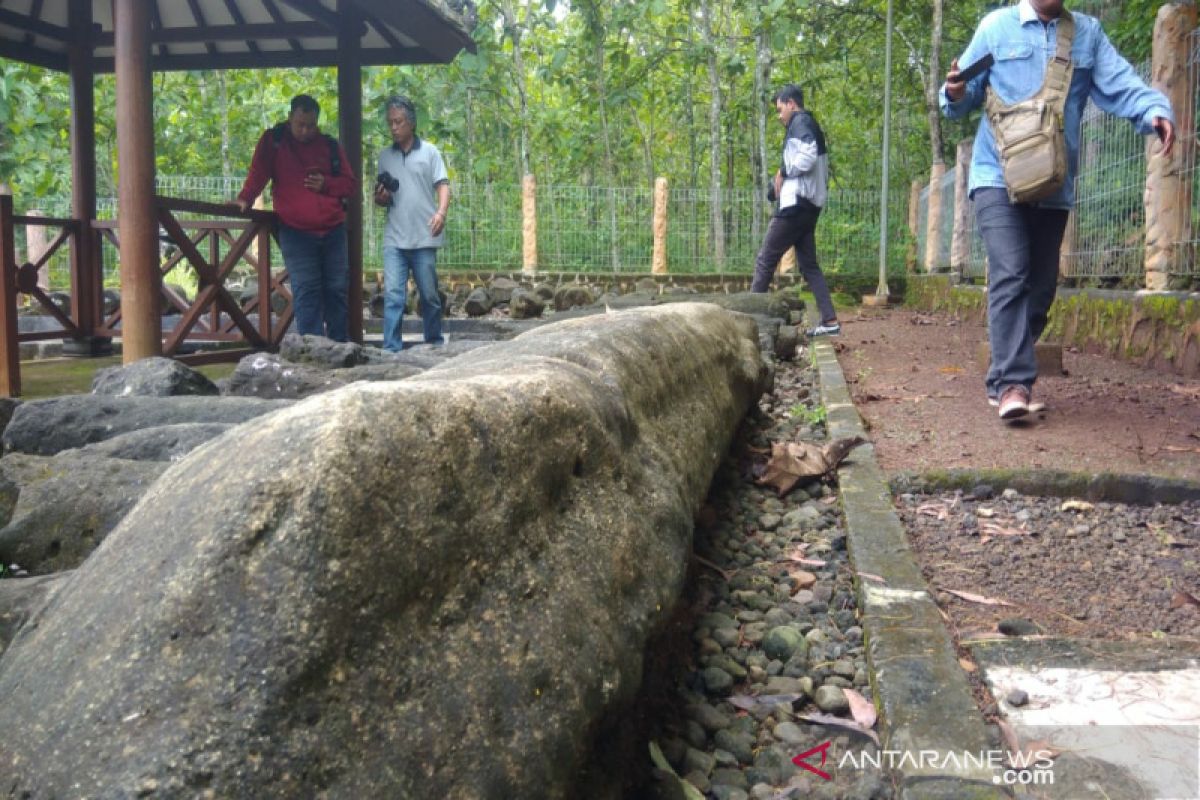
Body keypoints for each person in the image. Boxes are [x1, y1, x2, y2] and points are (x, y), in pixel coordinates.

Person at [942, 0, 1173, 420]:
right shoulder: (995, 28)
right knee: (1010, 271)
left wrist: (1154, 111)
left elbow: (1121, 83)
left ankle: (1003, 372)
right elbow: (961, 97)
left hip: (1052, 182)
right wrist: (954, 91)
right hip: (996, 174)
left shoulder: (1087, 34)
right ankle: (1014, 384)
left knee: (1042, 288)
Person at [235, 94, 356, 342]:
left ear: (317, 122)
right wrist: (244, 198)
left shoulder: (330, 146)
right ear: (290, 118)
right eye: (300, 124)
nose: (304, 130)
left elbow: (349, 185)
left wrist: (326, 185)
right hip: (295, 231)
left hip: (333, 230)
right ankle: (313, 349)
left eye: (310, 125)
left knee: (336, 290)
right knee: (307, 291)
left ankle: (340, 347)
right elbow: (258, 173)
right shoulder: (274, 141)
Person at [751, 84, 838, 337]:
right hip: (809, 205)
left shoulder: (800, 122)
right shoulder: (806, 124)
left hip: (796, 206)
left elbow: (807, 157)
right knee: (809, 265)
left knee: (765, 259)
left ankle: (749, 319)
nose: (779, 115)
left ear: (791, 103)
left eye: (780, 109)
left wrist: (785, 172)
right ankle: (830, 320)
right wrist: (778, 180)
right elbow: (799, 162)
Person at [373, 95, 451, 351]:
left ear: (411, 123)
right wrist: (381, 198)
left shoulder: (430, 152)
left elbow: (443, 185)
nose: (394, 127)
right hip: (395, 237)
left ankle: (434, 342)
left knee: (429, 294)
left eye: (398, 122)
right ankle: (391, 348)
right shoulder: (385, 156)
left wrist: (441, 213)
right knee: (394, 296)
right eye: (390, 123)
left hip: (424, 235)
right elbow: (381, 197)